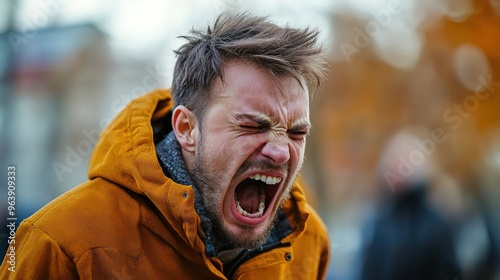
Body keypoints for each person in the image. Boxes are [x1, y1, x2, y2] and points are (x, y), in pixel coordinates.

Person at [0, 13, 330, 279]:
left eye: (296, 133)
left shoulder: (309, 242)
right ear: (186, 128)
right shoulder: (61, 243)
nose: (281, 151)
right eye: (252, 126)